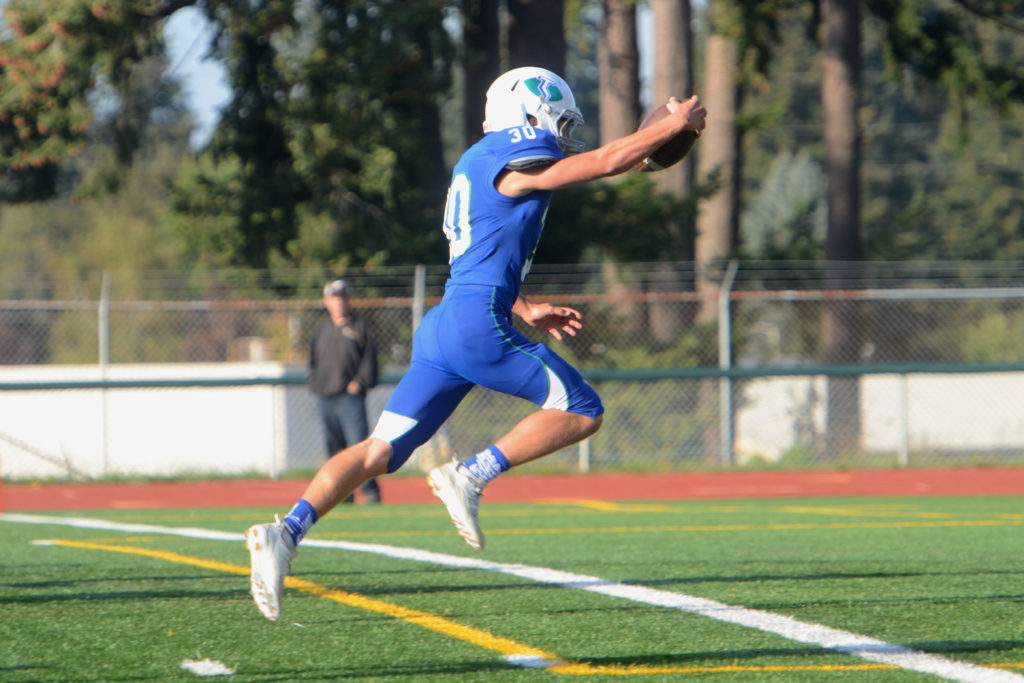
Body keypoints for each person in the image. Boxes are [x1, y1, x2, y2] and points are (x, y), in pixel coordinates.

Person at [246, 66, 707, 621]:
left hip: (446, 324)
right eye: (555, 120)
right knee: (582, 409)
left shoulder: (477, 164)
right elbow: (606, 162)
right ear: (527, 114)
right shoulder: (516, 152)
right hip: (473, 324)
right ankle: (470, 474)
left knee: (380, 451)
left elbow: (481, 256)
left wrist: (527, 306)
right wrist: (672, 124)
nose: (560, 133)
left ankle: (286, 532)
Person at [308, 278, 381, 504]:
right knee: (334, 447)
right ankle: (342, 494)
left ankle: (369, 492)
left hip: (350, 397)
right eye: (335, 299)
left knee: (358, 445)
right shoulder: (322, 330)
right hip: (325, 396)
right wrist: (316, 385)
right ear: (327, 301)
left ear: (348, 301)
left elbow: (370, 361)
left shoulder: (359, 327)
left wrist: (359, 382)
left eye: (343, 298)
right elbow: (313, 361)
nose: (339, 303)